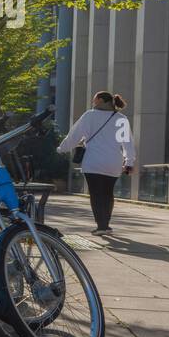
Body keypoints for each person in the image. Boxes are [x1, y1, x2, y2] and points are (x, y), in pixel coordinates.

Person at [57, 91, 134, 234]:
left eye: (94, 100)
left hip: (93, 162)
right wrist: (129, 162)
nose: (93, 103)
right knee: (108, 193)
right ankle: (106, 224)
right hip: (114, 162)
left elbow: (74, 135)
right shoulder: (121, 118)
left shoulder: (89, 115)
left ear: (99, 100)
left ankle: (102, 226)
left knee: (96, 194)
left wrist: (62, 148)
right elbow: (127, 143)